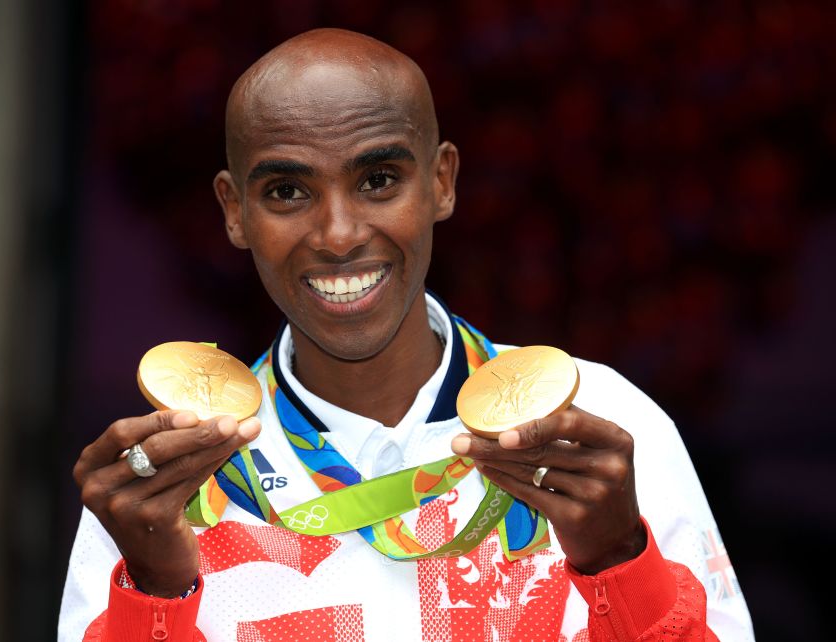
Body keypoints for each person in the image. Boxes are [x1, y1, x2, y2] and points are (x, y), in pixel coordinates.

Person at [60, 28, 754, 641]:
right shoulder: (165, 479)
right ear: (234, 211)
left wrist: (616, 563)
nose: (338, 234)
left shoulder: (598, 428)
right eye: (287, 193)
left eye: (379, 179)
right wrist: (156, 592)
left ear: (442, 183)